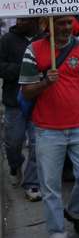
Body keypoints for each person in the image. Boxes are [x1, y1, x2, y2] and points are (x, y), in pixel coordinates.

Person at [19, 16, 79, 237]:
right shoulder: (34, 49)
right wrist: (45, 82)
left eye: (69, 23)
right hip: (47, 130)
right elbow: (26, 91)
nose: (66, 27)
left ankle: (75, 212)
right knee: (50, 188)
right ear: (48, 25)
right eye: (60, 23)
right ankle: (57, 232)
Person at [0, 17, 41, 201]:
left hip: (38, 100)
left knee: (36, 145)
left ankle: (32, 183)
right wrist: (24, 70)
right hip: (14, 101)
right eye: (20, 19)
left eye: (26, 19)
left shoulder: (44, 39)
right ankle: (15, 165)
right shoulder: (7, 40)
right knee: (13, 142)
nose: (21, 22)